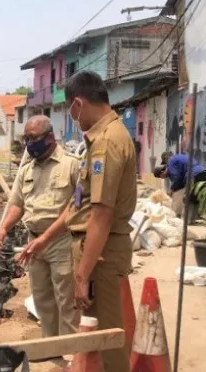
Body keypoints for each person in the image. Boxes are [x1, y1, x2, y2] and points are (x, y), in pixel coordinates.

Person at [35, 71, 136, 372]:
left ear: (78, 104)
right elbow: (80, 203)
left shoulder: (106, 143)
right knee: (95, 336)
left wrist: (81, 276)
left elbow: (101, 215)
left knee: (107, 339)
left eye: (71, 112)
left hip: (101, 256)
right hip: (97, 253)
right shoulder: (103, 139)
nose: (74, 120)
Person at [0, 115, 79, 348]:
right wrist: (3, 228)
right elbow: (18, 204)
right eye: (26, 138)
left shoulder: (71, 165)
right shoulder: (27, 169)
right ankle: (50, 349)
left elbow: (75, 208)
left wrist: (45, 239)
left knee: (67, 301)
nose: (29, 143)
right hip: (34, 242)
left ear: (50, 136)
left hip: (62, 240)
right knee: (43, 301)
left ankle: (71, 353)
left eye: (34, 138)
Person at [154, 152, 206, 222]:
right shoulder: (178, 159)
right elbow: (181, 181)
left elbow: (177, 178)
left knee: (187, 198)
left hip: (194, 174)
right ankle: (193, 218)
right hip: (203, 172)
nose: (162, 178)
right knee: (195, 197)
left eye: (161, 177)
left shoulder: (171, 163)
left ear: (162, 172)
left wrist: (172, 189)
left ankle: (186, 222)